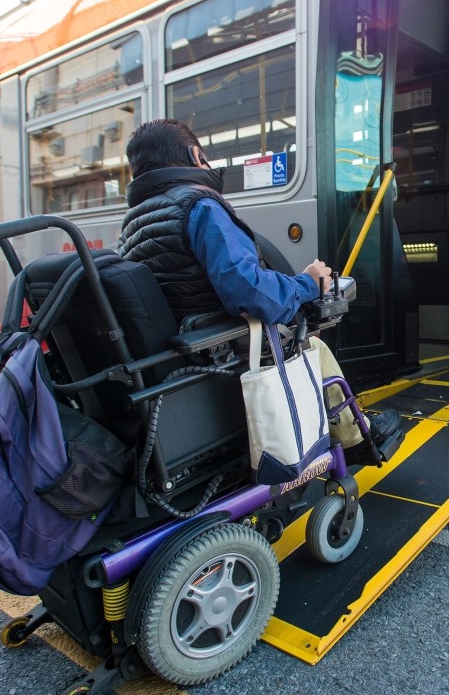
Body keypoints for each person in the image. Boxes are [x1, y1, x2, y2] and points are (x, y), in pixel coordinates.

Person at [119, 118, 401, 456]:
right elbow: (250, 292)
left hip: (181, 346)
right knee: (311, 343)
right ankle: (358, 439)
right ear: (196, 156)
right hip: (220, 344)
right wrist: (308, 283)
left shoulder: (134, 223)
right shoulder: (199, 207)